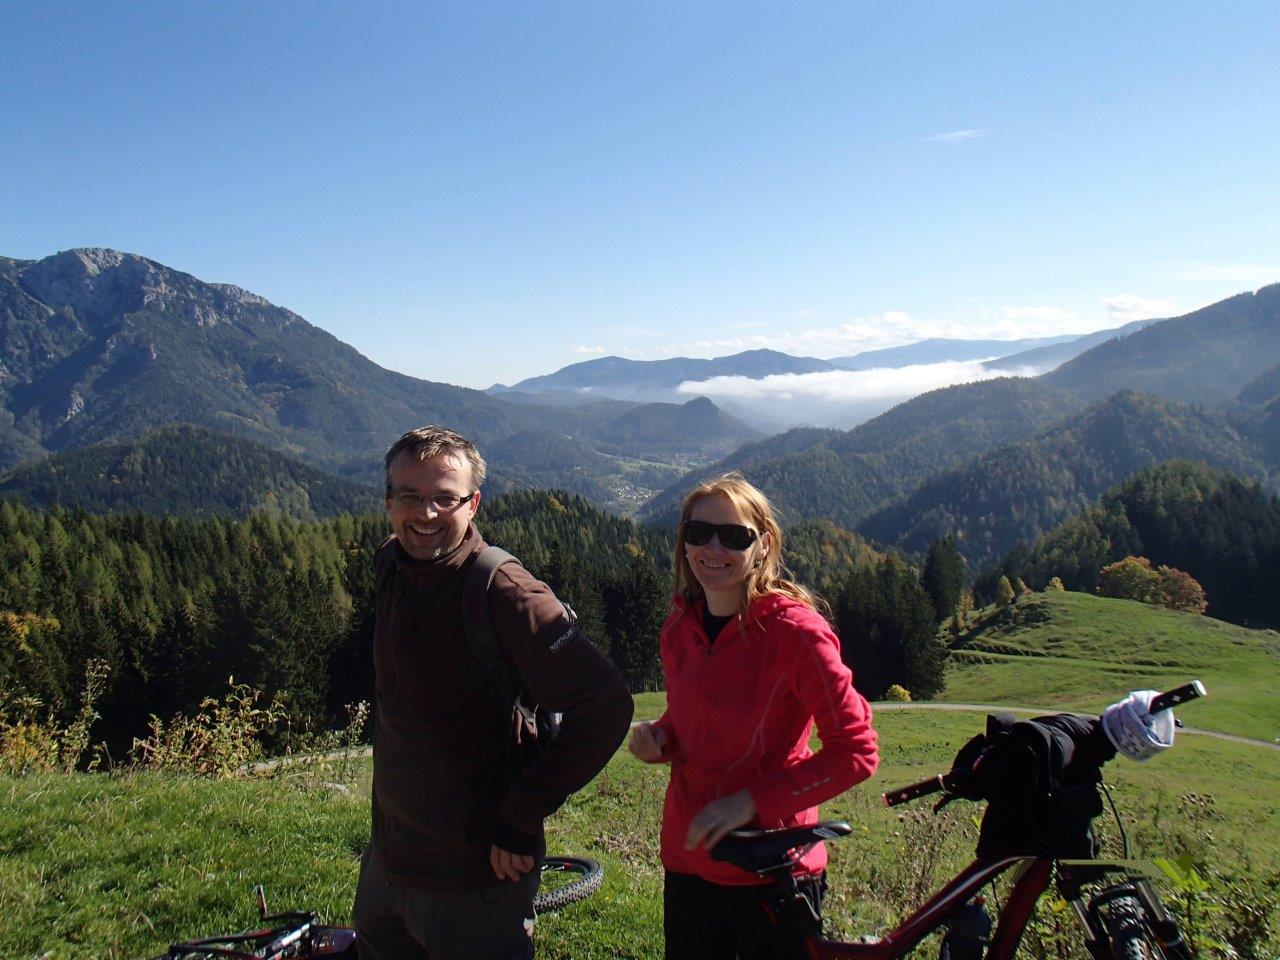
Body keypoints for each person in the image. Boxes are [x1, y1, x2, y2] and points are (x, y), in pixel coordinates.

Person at [354, 425, 634, 960]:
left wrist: (520, 815)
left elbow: (605, 705)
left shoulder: (505, 592)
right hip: (390, 860)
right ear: (388, 501)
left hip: (475, 878)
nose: (426, 513)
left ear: (474, 503)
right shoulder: (392, 564)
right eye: (410, 497)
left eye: (445, 498)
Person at [629, 473, 878, 960]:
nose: (712, 548)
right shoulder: (681, 625)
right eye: (698, 533)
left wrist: (750, 802)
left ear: (763, 546)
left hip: (771, 865)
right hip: (690, 857)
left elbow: (857, 751)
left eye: (734, 536)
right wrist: (660, 737)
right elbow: (694, 721)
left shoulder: (796, 634)